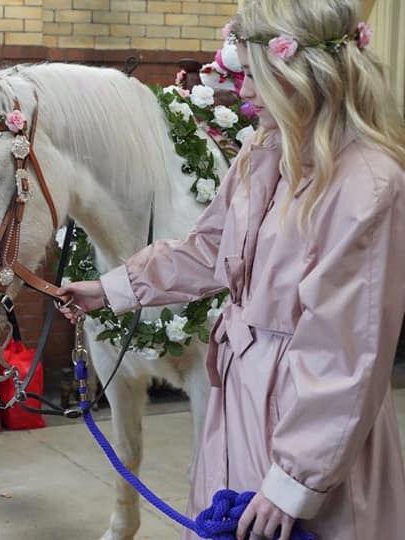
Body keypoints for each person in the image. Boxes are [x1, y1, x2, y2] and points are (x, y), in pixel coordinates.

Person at [58, 1, 405, 539]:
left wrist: (294, 480)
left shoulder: (369, 185)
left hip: (309, 422)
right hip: (238, 401)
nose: (241, 93)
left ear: (300, 75)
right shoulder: (262, 156)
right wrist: (110, 289)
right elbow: (207, 249)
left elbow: (346, 355)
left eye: (253, 76)